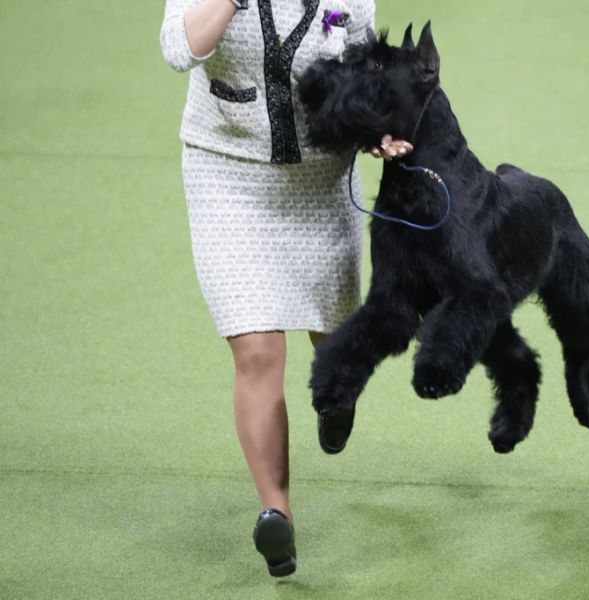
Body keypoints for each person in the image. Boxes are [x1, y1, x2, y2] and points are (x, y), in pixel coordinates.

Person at [159, 0, 411, 577]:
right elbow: (179, 49)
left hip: (320, 183)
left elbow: (367, 71)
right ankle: (277, 514)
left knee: (336, 347)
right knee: (257, 350)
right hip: (226, 172)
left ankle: (337, 397)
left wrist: (377, 132)